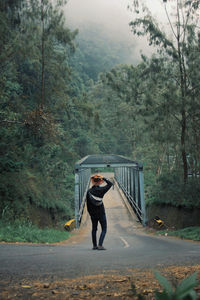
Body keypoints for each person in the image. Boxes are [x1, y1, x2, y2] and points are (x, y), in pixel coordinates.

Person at [86, 174, 113, 250]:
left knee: (94, 229)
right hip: (101, 213)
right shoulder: (102, 190)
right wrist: (103, 178)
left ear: (92, 182)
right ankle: (100, 245)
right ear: (100, 182)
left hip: (93, 214)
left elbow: (87, 205)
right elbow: (110, 184)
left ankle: (94, 245)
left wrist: (91, 214)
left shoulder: (89, 191)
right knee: (104, 229)